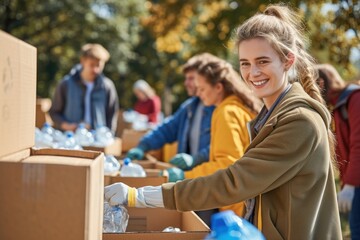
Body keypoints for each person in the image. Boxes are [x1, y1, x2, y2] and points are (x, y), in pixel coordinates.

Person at [104, 4, 342, 239]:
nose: (253, 73)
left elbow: (233, 181)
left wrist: (140, 196)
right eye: (245, 63)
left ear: (288, 61)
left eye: (263, 61)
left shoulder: (298, 121)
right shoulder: (272, 114)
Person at [164, 60, 262, 221]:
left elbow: (227, 163)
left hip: (239, 207)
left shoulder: (227, 113)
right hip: (245, 201)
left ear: (218, 87)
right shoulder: (238, 108)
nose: (199, 94)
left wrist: (186, 175)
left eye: (202, 89)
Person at [126, 53, 217, 166]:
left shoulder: (219, 109)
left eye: (191, 78)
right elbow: (167, 129)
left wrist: (195, 159)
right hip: (192, 179)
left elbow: (222, 146)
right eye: (186, 78)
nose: (186, 83)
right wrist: (143, 146)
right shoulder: (189, 107)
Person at [316, 64, 360, 239]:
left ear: (320, 83)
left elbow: (359, 145)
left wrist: (350, 185)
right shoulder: (339, 106)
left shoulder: (355, 99)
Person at [50, 43, 119, 133]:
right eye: (91, 65)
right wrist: (66, 126)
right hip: (71, 139)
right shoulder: (66, 84)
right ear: (83, 61)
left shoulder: (107, 86)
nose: (95, 69)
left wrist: (109, 135)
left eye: (98, 65)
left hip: (97, 140)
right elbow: (54, 112)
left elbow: (112, 114)